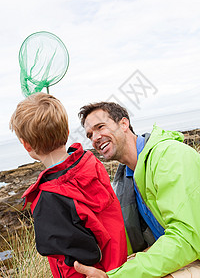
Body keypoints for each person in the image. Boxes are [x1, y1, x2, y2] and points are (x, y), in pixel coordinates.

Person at [75, 101, 200, 278]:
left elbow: (187, 238)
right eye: (89, 135)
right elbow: (121, 241)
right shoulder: (124, 181)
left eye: (100, 127)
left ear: (124, 124)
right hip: (184, 255)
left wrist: (117, 276)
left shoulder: (170, 156)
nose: (95, 138)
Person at [9, 94, 127, 278]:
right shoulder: (91, 162)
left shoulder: (47, 198)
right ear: (65, 132)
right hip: (120, 268)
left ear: (26, 146)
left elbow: (73, 264)